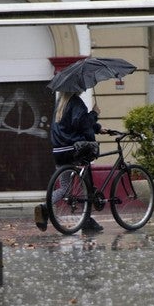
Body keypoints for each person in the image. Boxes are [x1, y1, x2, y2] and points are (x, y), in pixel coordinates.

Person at [34, 91, 106, 232]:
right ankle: (87, 220)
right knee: (87, 183)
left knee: (64, 187)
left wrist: (98, 128)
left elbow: (72, 124)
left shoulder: (60, 103)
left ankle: (44, 207)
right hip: (74, 150)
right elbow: (83, 125)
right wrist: (95, 113)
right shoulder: (76, 103)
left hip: (59, 151)